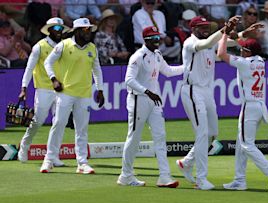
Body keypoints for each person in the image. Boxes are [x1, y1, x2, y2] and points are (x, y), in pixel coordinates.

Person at [175, 15, 241, 190]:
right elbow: (205, 44)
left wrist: (242, 34)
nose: (205, 29)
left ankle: (186, 162)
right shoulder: (190, 43)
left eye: (207, 26)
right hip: (192, 90)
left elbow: (228, 44)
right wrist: (224, 30)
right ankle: (201, 179)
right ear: (193, 28)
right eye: (201, 27)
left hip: (206, 91)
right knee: (202, 133)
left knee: (212, 133)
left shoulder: (211, 42)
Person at [217, 33, 268, 192]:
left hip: (249, 106)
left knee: (247, 145)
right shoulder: (260, 61)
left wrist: (225, 34)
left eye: (243, 49)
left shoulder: (244, 63)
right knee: (242, 144)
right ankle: (239, 180)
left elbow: (220, 53)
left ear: (248, 52)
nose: (240, 51)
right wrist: (241, 35)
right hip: (259, 106)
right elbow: (247, 47)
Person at [117, 26, 184, 187]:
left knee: (160, 136)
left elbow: (168, 71)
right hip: (138, 99)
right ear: (146, 40)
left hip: (154, 101)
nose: (157, 41)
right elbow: (129, 80)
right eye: (154, 39)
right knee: (134, 138)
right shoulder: (138, 57)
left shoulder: (157, 55)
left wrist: (187, 68)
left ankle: (164, 176)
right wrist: (147, 92)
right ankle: (126, 175)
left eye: (158, 38)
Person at [40, 18, 105, 174]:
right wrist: (53, 79)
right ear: (76, 31)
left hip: (84, 94)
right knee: (58, 124)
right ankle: (48, 160)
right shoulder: (64, 45)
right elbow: (48, 63)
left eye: (89, 29)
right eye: (85, 30)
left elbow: (97, 70)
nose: (88, 32)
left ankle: (82, 163)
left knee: (81, 129)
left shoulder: (92, 48)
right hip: (65, 93)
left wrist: (100, 90)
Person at [17, 17, 70, 166]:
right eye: (57, 29)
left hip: (61, 89)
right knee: (38, 120)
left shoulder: (65, 46)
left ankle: (52, 155)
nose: (60, 32)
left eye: (61, 29)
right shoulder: (39, 46)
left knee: (59, 122)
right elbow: (29, 68)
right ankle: (25, 146)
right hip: (43, 88)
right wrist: (23, 88)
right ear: (50, 30)